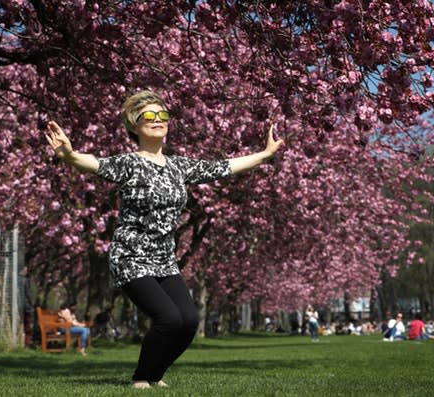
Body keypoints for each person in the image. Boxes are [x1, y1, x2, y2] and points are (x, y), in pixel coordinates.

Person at [45, 90, 284, 389]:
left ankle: (154, 375)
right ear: (134, 125)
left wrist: (264, 154)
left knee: (188, 322)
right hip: (130, 256)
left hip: (164, 259)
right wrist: (68, 155)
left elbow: (223, 167)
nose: (158, 120)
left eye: (163, 116)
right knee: (168, 318)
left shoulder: (178, 167)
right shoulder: (129, 163)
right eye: (149, 116)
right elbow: (92, 163)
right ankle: (141, 378)